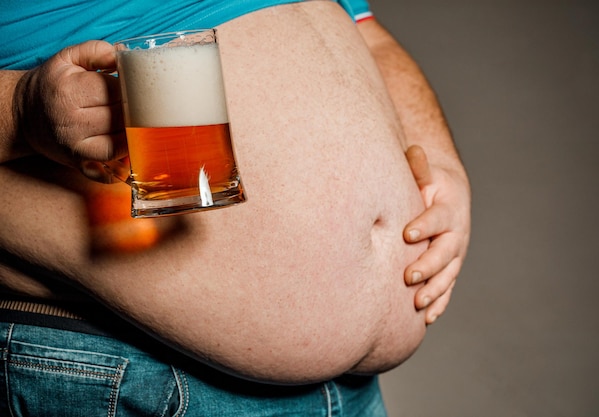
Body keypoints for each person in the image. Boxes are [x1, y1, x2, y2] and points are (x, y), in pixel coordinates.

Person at [0, 0, 470, 415]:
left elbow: (369, 34)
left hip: (350, 392)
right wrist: (21, 111)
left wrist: (441, 158)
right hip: (132, 369)